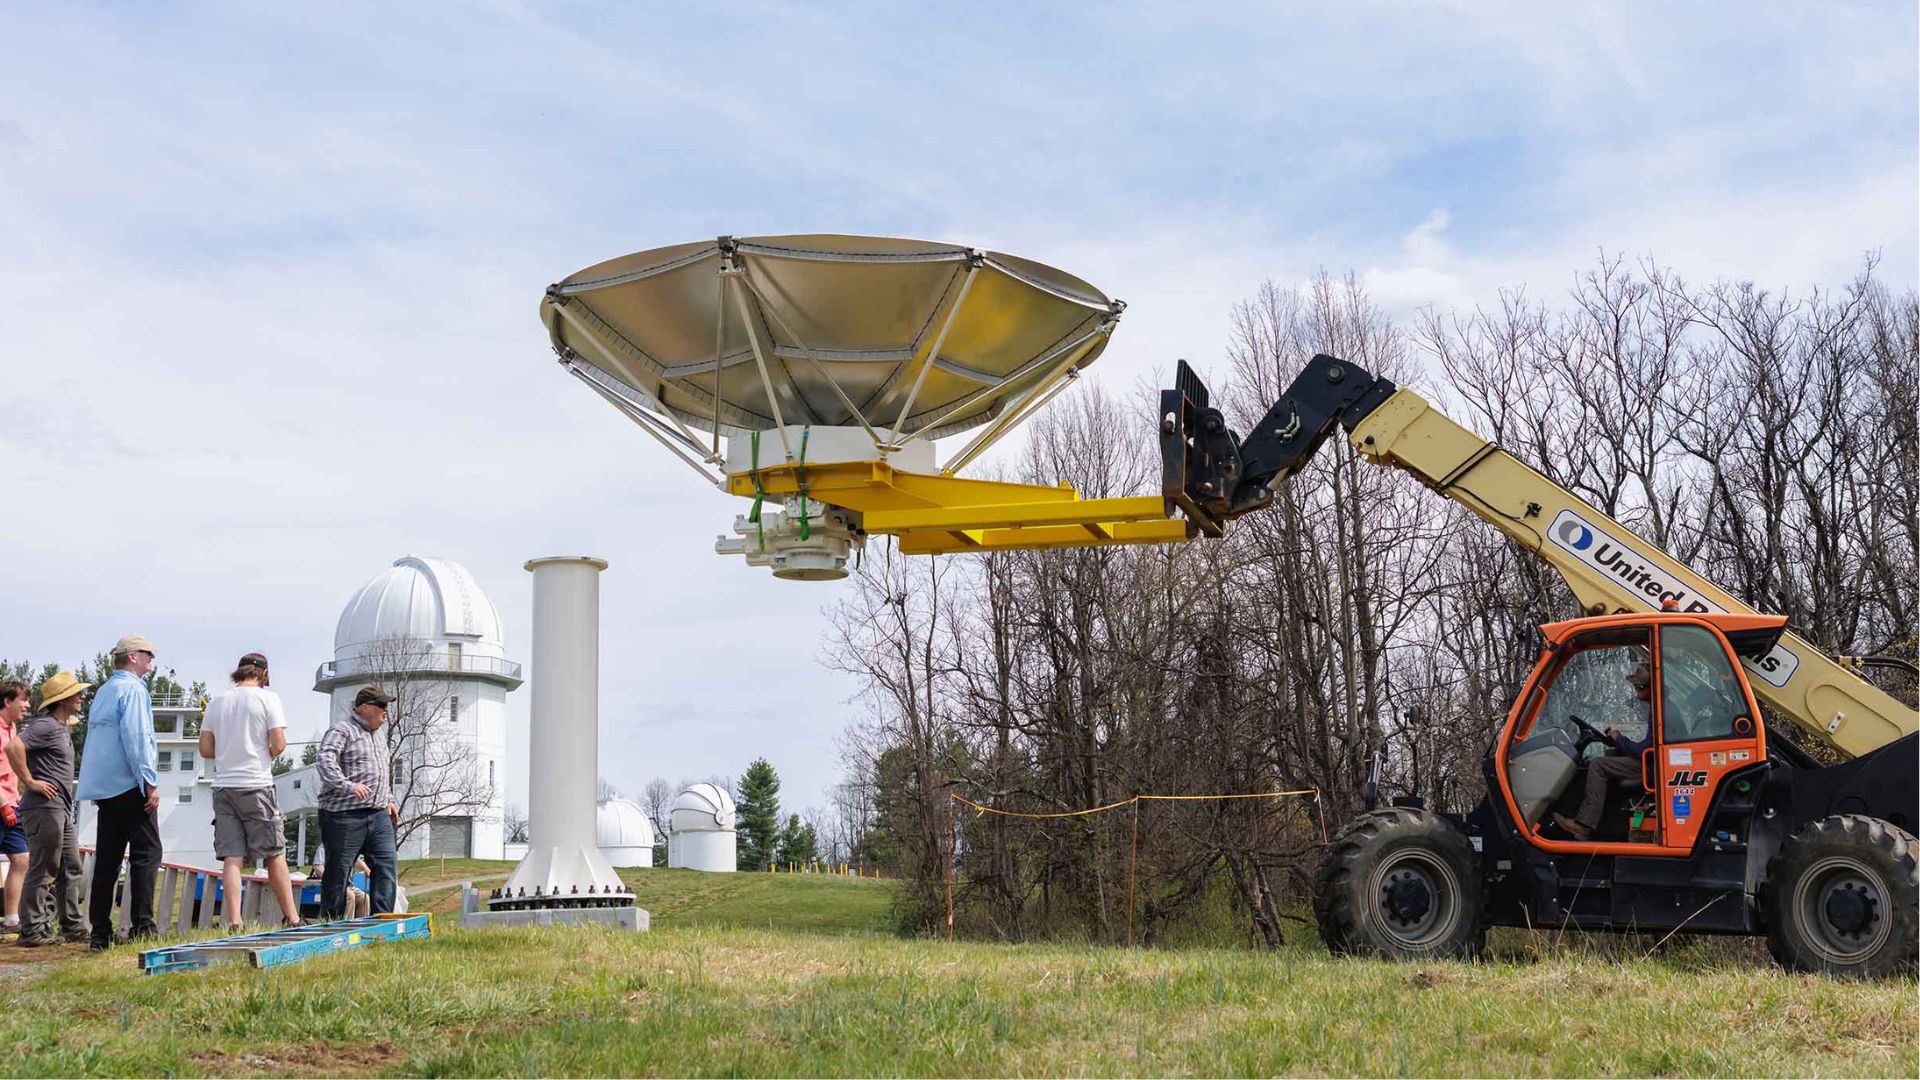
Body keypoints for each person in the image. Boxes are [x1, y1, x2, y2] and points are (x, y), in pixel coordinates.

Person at [199, 652, 301, 931]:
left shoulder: (217, 702)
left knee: (232, 857)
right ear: (264, 673)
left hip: (224, 786)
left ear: (239, 671)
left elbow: (206, 749)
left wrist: (229, 754)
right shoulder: (268, 699)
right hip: (255, 783)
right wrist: (260, 755)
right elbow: (279, 744)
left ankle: (234, 921)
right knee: (274, 853)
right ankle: (292, 918)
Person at [76, 634, 163, 951]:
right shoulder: (134, 690)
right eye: (148, 654)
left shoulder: (104, 691)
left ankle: (100, 932)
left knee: (108, 861)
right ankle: (143, 926)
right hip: (129, 784)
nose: (152, 660)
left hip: (104, 788)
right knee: (147, 854)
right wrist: (149, 781)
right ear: (133, 657)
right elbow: (137, 737)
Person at [8, 671, 91, 946]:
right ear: (64, 699)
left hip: (59, 808)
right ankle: (32, 930)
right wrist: (30, 781)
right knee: (44, 867)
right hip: (44, 807)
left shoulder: (61, 728)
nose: (81, 697)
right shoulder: (46, 726)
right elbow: (13, 747)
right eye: (77, 693)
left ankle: (72, 925)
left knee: (71, 866)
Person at [316, 686, 399, 919]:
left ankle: (382, 921)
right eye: (381, 706)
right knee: (339, 871)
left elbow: (381, 771)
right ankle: (331, 922)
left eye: (387, 706)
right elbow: (324, 761)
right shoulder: (342, 730)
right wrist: (347, 785)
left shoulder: (379, 735)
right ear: (363, 708)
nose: (386, 711)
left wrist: (389, 798)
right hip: (343, 815)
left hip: (378, 814)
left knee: (386, 866)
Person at [1553, 662, 1654, 840]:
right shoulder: (1659, 709)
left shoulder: (1660, 711)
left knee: (1598, 765)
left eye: (1638, 685)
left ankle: (1584, 825)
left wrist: (1619, 739)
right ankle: (1606, 825)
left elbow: (1645, 749)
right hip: (1653, 763)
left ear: (1648, 686)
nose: (1635, 689)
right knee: (1606, 759)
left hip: (1653, 767)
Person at [0, 682, 32, 934]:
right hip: (2, 805)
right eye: (23, 700)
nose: (28, 705)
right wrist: (4, 805)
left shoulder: (13, 729)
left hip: (13, 802)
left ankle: (11, 919)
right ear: (7, 701)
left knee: (21, 859)